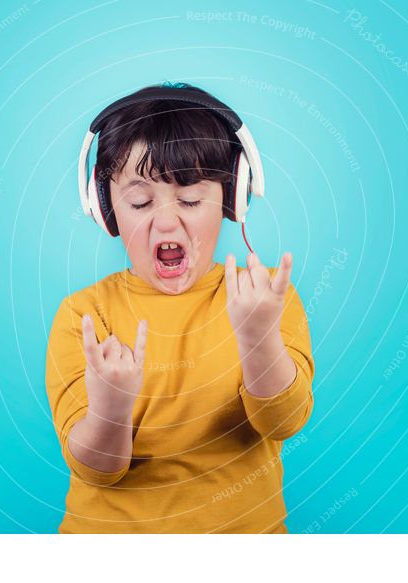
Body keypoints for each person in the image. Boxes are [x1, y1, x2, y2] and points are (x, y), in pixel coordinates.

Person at [45, 82, 314, 533]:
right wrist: (111, 407)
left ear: (233, 198)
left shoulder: (262, 297)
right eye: (140, 201)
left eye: (190, 198)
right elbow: (98, 469)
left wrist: (258, 339)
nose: (167, 220)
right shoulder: (86, 317)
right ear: (105, 209)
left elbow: (283, 422)